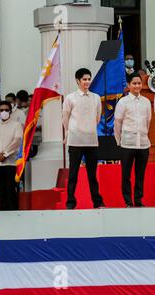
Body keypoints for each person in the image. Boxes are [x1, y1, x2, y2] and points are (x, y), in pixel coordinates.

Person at [62, 68, 105, 210]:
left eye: (88, 79)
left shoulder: (96, 98)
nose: (87, 82)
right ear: (78, 81)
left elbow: (98, 118)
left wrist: (88, 129)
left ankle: (97, 202)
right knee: (73, 174)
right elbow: (65, 118)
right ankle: (70, 203)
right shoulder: (70, 98)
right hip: (75, 141)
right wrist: (71, 131)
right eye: (84, 79)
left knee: (92, 174)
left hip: (91, 140)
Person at [114, 73, 151, 208]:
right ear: (128, 85)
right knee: (126, 175)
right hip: (127, 143)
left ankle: (138, 200)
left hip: (143, 143)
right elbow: (117, 123)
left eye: (139, 83)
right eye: (134, 83)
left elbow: (148, 121)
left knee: (140, 175)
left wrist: (143, 134)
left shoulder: (146, 102)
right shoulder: (123, 102)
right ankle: (128, 201)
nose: (137, 86)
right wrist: (119, 140)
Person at [0, 101, 23, 210]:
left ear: (10, 111)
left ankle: (13, 210)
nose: (4, 112)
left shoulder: (16, 125)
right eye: (1, 110)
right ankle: (3, 209)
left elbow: (17, 141)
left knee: (10, 188)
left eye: (6, 110)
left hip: (10, 162)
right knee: (0, 188)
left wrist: (6, 154)